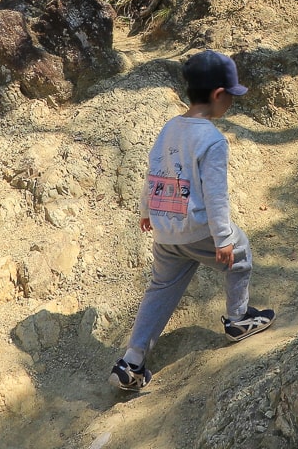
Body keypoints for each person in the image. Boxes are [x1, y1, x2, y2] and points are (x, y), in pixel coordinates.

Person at [109, 49, 275, 392]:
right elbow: (216, 196)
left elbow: (154, 171)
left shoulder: (170, 127)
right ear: (218, 95)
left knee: (161, 290)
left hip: (165, 229)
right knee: (240, 255)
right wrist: (225, 239)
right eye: (231, 95)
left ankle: (132, 361)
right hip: (198, 229)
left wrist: (146, 211)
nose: (231, 102)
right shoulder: (212, 140)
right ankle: (238, 318)